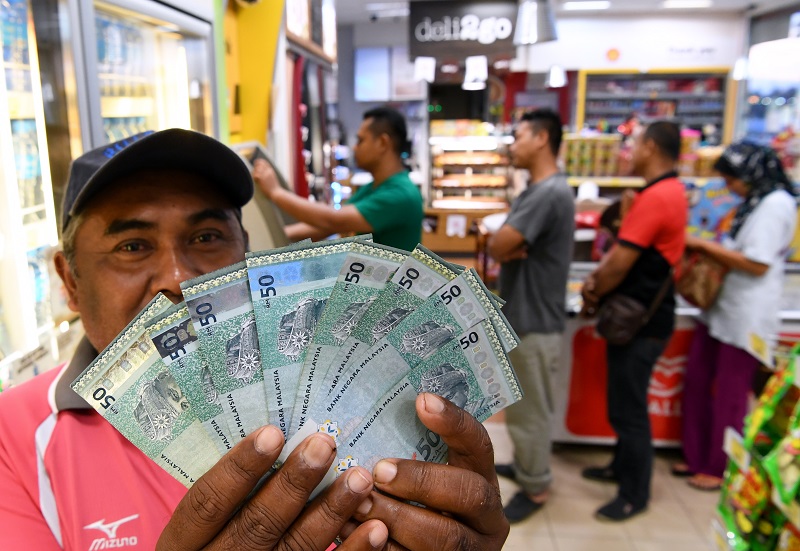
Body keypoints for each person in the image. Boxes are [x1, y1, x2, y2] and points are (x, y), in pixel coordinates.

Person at [0, 129, 510, 550]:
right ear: (69, 281)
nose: (178, 278)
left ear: (246, 251)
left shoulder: (358, 393)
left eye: (206, 237)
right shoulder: (14, 440)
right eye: (132, 246)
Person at [580, 121, 687, 521]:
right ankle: (619, 467)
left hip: (642, 322)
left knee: (630, 410)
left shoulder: (658, 196)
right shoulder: (668, 191)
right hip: (645, 317)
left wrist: (593, 289)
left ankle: (634, 494)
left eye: (636, 144)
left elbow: (618, 262)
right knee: (624, 400)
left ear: (652, 147)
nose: (630, 152)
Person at [677, 143, 797, 491]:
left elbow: (757, 264)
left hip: (747, 314)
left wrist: (701, 245)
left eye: (733, 180)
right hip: (721, 307)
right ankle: (696, 455)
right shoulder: (753, 202)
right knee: (698, 380)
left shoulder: (776, 204)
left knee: (731, 393)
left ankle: (720, 467)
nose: (730, 187)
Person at [487, 109, 575, 522]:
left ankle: (536, 486)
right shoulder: (539, 190)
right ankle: (526, 466)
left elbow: (500, 245)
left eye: (519, 135)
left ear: (542, 138)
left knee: (532, 408)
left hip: (536, 318)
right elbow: (505, 245)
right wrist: (507, 245)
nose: (513, 144)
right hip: (527, 314)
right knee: (523, 404)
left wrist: (504, 244)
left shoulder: (547, 194)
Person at [254, 106, 424, 252]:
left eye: (360, 140)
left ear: (382, 143)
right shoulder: (375, 187)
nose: (355, 147)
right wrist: (272, 235)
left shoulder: (401, 195)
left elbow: (333, 220)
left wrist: (275, 192)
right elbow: (325, 226)